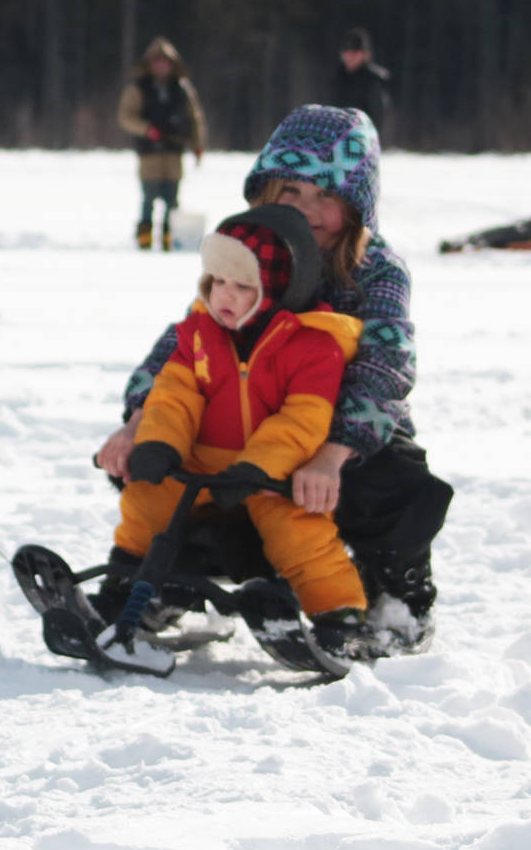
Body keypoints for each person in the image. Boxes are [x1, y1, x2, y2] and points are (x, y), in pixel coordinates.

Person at [99, 106, 451, 655]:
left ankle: (396, 602)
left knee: (395, 482)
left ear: (356, 207)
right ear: (267, 192)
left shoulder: (376, 270)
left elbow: (385, 368)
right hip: (247, 432)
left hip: (340, 435)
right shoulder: (250, 254)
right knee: (160, 466)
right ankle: (170, 579)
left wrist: (334, 454)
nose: (309, 210)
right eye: (292, 191)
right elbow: (185, 345)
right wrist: (139, 421)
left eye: (327, 197)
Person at [108, 205, 372, 661]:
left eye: (242, 286)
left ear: (279, 288)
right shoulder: (198, 335)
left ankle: (339, 618)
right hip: (204, 459)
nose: (225, 296)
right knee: (147, 500)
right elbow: (174, 395)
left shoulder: (314, 345)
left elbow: (303, 418)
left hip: (271, 471)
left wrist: (258, 467)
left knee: (303, 533)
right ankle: (121, 589)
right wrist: (158, 444)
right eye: (218, 282)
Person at [116, 36, 208, 250]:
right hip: (149, 154)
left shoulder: (182, 89)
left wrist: (198, 144)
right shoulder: (138, 88)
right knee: (148, 198)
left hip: (174, 153)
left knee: (172, 200)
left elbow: (195, 118)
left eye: (164, 61)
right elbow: (125, 117)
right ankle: (145, 240)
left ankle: (170, 239)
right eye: (156, 61)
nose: (161, 66)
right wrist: (146, 129)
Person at [331, 27, 392, 143]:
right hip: (338, 139)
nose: (350, 57)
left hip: (364, 139)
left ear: (364, 55)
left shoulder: (373, 80)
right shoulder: (338, 77)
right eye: (347, 52)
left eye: (355, 53)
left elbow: (378, 117)